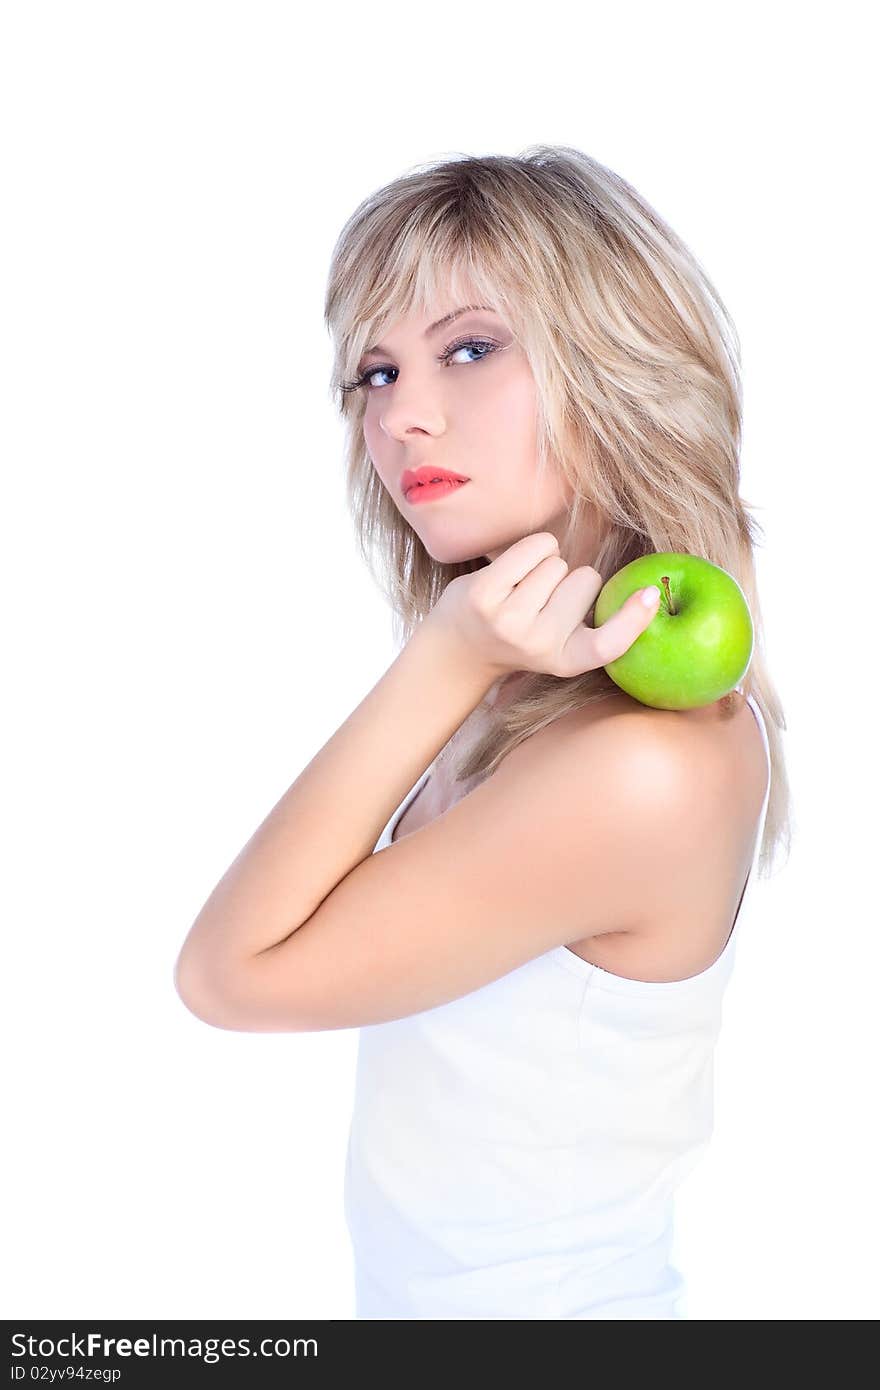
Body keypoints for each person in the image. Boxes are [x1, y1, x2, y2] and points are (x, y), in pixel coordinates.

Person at [174, 145, 793, 1320]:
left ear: (614, 357)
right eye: (373, 371)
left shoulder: (642, 765)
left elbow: (228, 975)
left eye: (470, 347)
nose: (403, 415)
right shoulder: (522, 697)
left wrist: (443, 659)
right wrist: (460, 661)